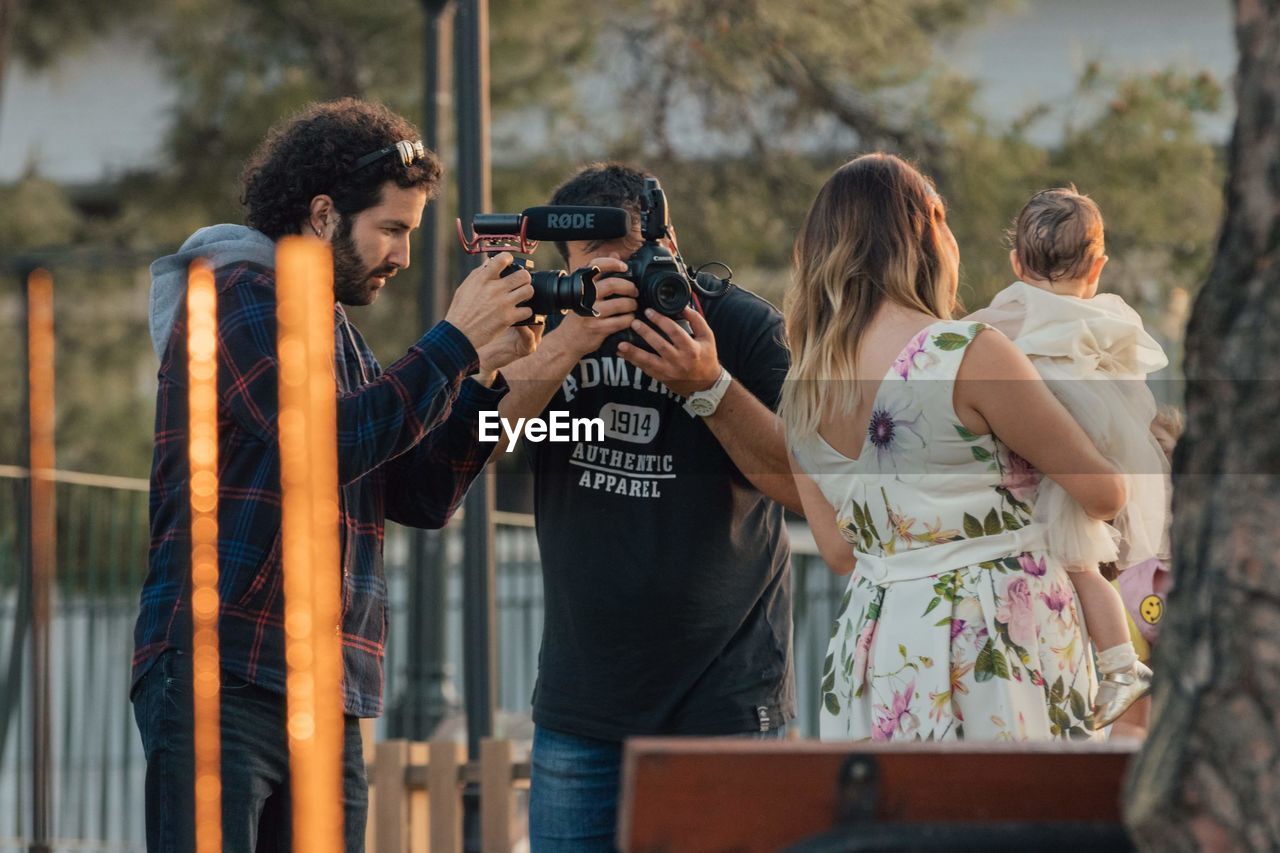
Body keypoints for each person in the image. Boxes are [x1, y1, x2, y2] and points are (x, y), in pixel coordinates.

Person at [132, 98, 534, 852]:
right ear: (322, 215)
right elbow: (322, 444)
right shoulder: (231, 295)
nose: (404, 256)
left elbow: (417, 493)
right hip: (226, 673)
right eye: (392, 229)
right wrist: (452, 341)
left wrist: (484, 376)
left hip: (329, 691)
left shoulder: (338, 337)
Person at [491, 162, 800, 849]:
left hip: (728, 698)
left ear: (668, 244)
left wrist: (708, 384)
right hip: (582, 703)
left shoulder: (741, 325)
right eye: (593, 272)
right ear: (568, 264)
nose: (617, 287)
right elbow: (484, 440)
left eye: (629, 266)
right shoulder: (553, 326)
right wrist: (568, 338)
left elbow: (802, 482)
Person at [785, 153, 1127, 741]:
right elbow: (1104, 493)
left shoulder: (801, 392)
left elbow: (841, 554)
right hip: (991, 640)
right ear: (927, 227)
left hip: (876, 651)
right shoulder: (965, 354)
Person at [966, 187, 1172, 728]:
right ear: (1098, 265)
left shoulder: (1002, 318)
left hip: (1051, 452)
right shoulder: (1110, 323)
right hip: (1101, 445)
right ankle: (1124, 660)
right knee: (1094, 566)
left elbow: (969, 350)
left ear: (1015, 262)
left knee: (1078, 565)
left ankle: (1123, 668)